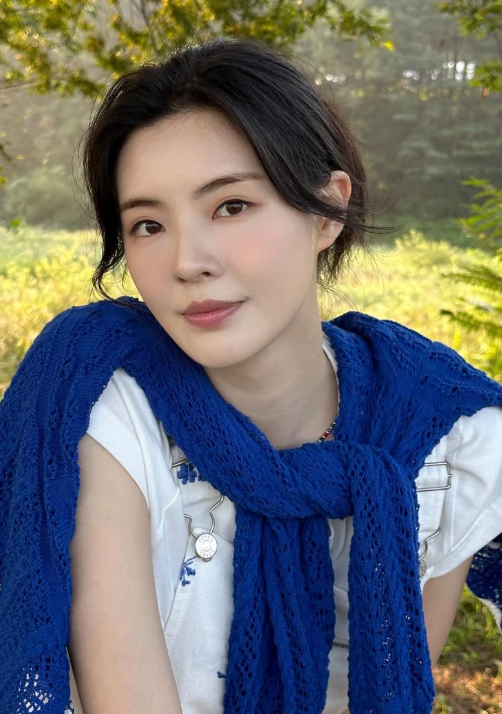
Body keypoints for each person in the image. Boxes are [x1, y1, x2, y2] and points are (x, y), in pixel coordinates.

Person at [1, 36, 502, 714]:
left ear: (325, 211)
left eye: (230, 206)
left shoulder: (444, 438)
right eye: (148, 225)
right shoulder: (98, 395)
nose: (188, 261)